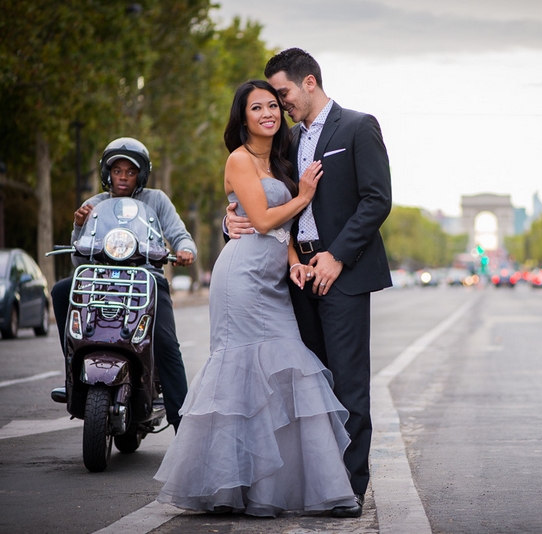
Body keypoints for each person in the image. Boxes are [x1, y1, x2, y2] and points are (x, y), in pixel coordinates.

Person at [155, 80, 355, 517]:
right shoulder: (239, 159)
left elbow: (279, 230)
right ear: (242, 117)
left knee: (286, 370)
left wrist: (293, 263)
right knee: (240, 375)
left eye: (272, 106)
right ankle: (228, 487)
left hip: (274, 281)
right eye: (256, 107)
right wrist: (302, 196)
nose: (267, 113)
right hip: (241, 278)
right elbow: (263, 220)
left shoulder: (281, 160)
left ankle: (276, 489)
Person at [226, 47, 393, 517]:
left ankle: (349, 489)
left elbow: (377, 200)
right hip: (293, 276)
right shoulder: (286, 141)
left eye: (282, 94)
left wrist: (337, 258)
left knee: (348, 385)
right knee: (309, 386)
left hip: (342, 274)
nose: (279, 106)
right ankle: (317, 482)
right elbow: (267, 201)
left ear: (310, 83)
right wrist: (232, 220)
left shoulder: (359, 127)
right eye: (271, 100)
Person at [50, 137, 196, 432]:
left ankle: (181, 418)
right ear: (108, 173)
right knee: (62, 290)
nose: (123, 177)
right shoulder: (95, 204)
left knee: (166, 341)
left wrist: (185, 249)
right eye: (117, 171)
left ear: (141, 175)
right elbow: (80, 258)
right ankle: (72, 370)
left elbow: (179, 233)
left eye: (130, 172)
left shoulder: (156, 200)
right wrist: (79, 224)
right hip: (100, 280)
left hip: (146, 280)